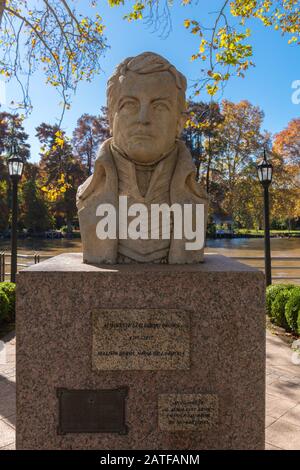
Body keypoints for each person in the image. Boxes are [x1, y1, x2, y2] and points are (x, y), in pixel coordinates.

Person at [76, 52, 208, 264]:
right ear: (111, 116)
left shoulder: (197, 200)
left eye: (159, 107)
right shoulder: (87, 196)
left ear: (179, 122)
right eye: (130, 104)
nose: (144, 118)